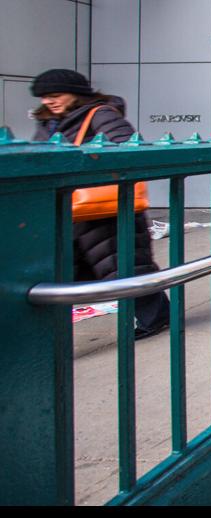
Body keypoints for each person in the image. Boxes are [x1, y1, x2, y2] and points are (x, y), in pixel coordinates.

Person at [31, 69, 170, 340]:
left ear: (77, 93)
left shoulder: (100, 114)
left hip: (105, 208)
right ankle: (49, 334)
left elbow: (127, 149)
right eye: (44, 97)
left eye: (56, 95)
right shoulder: (48, 121)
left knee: (126, 266)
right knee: (65, 271)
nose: (49, 101)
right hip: (67, 210)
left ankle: (157, 317)